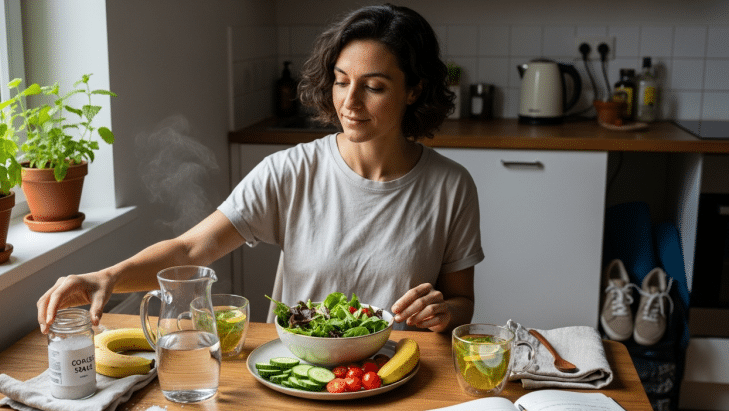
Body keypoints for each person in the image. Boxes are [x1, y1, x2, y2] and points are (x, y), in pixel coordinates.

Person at [37, 3, 483, 335]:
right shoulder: (290, 171)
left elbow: (462, 301)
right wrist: (106, 277)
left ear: (413, 90)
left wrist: (444, 312)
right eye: (342, 81)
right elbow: (191, 251)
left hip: (393, 373)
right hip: (295, 371)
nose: (350, 102)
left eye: (375, 87)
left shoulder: (450, 186)